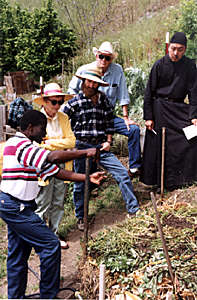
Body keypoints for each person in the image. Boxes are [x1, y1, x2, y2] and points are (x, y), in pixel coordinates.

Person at [0, 110, 104, 299]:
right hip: (16, 206)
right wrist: (84, 152)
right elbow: (53, 157)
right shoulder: (20, 145)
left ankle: (15, 297)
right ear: (30, 128)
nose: (44, 134)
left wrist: (88, 178)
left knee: (18, 255)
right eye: (42, 129)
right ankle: (48, 295)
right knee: (50, 245)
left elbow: (54, 171)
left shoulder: (26, 147)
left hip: (17, 205)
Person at [64, 65, 140, 231]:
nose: (91, 85)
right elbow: (62, 119)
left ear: (99, 84)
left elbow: (108, 122)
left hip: (100, 147)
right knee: (81, 184)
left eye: (94, 83)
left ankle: (134, 209)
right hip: (82, 148)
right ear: (84, 82)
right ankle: (81, 218)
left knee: (122, 173)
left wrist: (108, 141)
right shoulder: (75, 101)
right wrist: (69, 142)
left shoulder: (103, 100)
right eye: (88, 82)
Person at [66, 41, 141, 177]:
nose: (104, 60)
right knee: (84, 140)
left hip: (107, 116)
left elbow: (123, 94)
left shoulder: (117, 70)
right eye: (101, 56)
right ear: (96, 56)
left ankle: (134, 168)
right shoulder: (85, 69)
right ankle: (87, 174)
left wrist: (126, 118)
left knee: (134, 130)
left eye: (107, 58)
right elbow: (71, 92)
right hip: (86, 118)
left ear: (111, 59)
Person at [140, 32, 197, 191]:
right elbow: (149, 92)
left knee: (192, 134)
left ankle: (185, 178)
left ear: (185, 50)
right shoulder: (159, 65)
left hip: (178, 107)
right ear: (168, 48)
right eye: (173, 49)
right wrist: (148, 116)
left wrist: (194, 116)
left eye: (180, 49)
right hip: (160, 107)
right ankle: (161, 181)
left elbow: (194, 92)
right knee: (160, 140)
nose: (176, 53)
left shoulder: (190, 66)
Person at [34, 83, 76, 249]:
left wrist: (50, 143)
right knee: (43, 203)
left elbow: (71, 141)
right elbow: (37, 145)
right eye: (54, 102)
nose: (57, 105)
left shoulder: (63, 118)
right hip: (44, 165)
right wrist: (60, 144)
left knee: (58, 202)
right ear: (44, 102)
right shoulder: (37, 119)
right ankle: (39, 238)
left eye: (60, 102)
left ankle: (53, 234)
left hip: (62, 165)